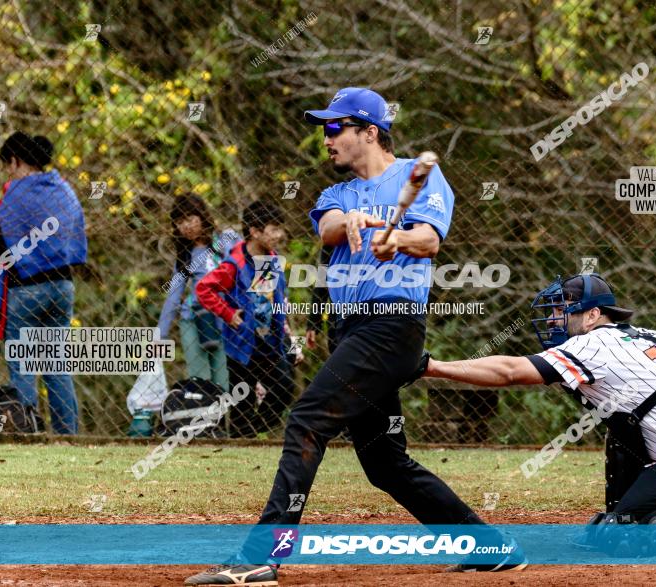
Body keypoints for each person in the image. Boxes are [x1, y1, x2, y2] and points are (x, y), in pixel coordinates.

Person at [184, 88, 525, 586]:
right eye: (323, 129)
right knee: (385, 463)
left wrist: (394, 237)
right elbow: (329, 230)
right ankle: (488, 546)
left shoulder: (417, 176)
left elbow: (428, 240)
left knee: (306, 420)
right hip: (354, 330)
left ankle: (262, 555)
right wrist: (356, 221)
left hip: (392, 324)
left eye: (334, 128)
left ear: (370, 132)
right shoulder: (335, 195)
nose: (325, 139)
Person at [422, 273, 656, 553]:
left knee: (626, 537)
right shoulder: (642, 334)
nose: (554, 320)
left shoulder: (590, 345)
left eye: (563, 311)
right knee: (620, 425)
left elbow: (509, 372)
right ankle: (622, 513)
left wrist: (433, 367)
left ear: (593, 315)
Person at [0, 131, 87, 435]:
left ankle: (26, 430)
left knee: (22, 364)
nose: (9, 172)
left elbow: (3, 248)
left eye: (8, 164)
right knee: (57, 366)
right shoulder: (63, 189)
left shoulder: (16, 194)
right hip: (63, 286)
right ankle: (67, 434)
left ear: (16, 160)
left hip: (27, 287)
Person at [196, 201, 294, 437]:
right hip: (241, 345)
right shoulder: (235, 264)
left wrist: (283, 328)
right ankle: (241, 438)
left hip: (268, 343)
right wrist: (228, 314)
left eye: (279, 228)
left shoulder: (269, 259)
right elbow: (203, 289)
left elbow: (264, 301)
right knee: (242, 398)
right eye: (273, 229)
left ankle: (252, 430)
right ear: (255, 231)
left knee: (284, 388)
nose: (279, 235)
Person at [158, 195, 238, 392]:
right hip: (194, 320)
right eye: (179, 222)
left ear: (202, 216)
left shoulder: (226, 240)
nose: (186, 226)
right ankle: (206, 421)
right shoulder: (185, 257)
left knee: (224, 384)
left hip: (227, 320)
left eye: (190, 218)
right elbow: (173, 296)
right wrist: (158, 337)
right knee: (201, 384)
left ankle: (223, 422)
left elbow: (244, 270)